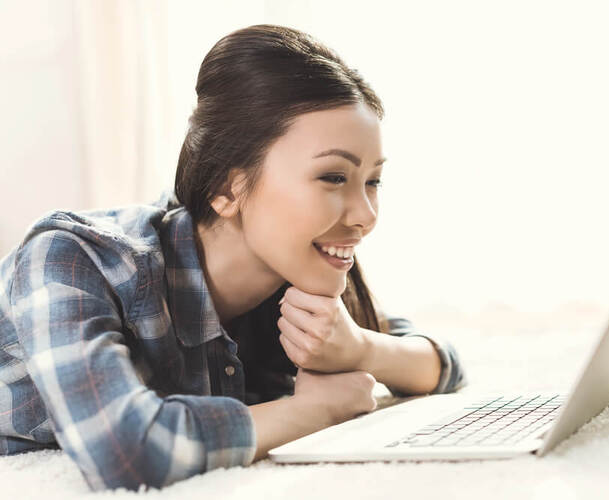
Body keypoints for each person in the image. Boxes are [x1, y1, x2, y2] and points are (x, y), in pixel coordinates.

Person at [0, 24, 467, 492]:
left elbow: (443, 363)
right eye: (332, 177)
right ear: (227, 187)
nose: (365, 216)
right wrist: (311, 410)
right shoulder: (72, 255)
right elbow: (126, 452)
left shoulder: (290, 272)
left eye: (373, 181)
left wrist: (362, 349)